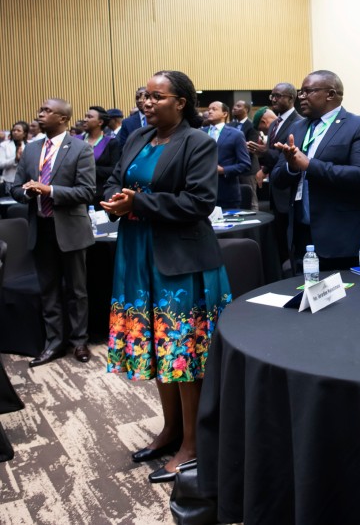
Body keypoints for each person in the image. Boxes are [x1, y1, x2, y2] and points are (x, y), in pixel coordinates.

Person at [101, 70, 232, 484]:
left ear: (181, 101)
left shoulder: (196, 142)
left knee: (183, 353)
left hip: (181, 261)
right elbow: (113, 177)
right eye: (145, 97)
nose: (147, 103)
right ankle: (171, 431)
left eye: (157, 97)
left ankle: (193, 446)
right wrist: (114, 200)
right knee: (158, 349)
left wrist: (138, 202)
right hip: (137, 256)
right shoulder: (137, 138)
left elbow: (198, 201)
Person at [11, 99, 96, 367]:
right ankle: (54, 343)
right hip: (40, 227)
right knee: (48, 290)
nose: (39, 114)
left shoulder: (80, 149)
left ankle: (79, 341)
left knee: (77, 291)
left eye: (47, 111)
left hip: (70, 229)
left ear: (63, 118)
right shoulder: (32, 149)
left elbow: (87, 191)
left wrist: (50, 191)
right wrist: (27, 191)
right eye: (40, 110)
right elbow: (15, 188)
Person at [271, 70, 360, 269]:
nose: (301, 96)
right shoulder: (297, 128)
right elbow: (277, 178)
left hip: (341, 237)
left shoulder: (358, 126)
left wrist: (310, 165)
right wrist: (292, 168)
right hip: (301, 235)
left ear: (331, 94)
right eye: (300, 92)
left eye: (308, 91)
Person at [251, 83, 302, 270]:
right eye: (272, 96)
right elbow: (274, 156)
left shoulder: (299, 122)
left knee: (292, 238)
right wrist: (264, 163)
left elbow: (287, 156)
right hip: (275, 188)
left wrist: (265, 152)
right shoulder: (274, 123)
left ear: (291, 98)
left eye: (278, 96)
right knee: (279, 236)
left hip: (290, 189)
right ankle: (283, 270)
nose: (273, 99)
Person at [204, 101, 251, 209]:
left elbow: (245, 164)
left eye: (214, 109)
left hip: (227, 192)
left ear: (225, 114)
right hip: (202, 193)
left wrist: (223, 170)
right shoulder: (200, 133)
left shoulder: (236, 134)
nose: (209, 111)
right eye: (209, 109)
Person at [76, 106, 120, 203]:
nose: (85, 120)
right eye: (85, 116)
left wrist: (88, 168)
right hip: (76, 193)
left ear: (100, 122)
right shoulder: (75, 140)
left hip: (100, 194)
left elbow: (114, 170)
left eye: (89, 117)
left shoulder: (111, 143)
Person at [228, 100, 259, 211]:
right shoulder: (230, 125)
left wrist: (233, 148)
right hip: (233, 167)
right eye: (234, 105)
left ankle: (255, 223)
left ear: (246, 109)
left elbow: (252, 146)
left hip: (248, 168)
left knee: (251, 198)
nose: (234, 108)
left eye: (238, 106)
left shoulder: (252, 126)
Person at [0, 121, 28, 194]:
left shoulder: (29, 145)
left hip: (26, 181)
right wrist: (15, 159)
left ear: (24, 134)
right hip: (10, 180)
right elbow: (1, 164)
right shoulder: (4, 145)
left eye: (18, 131)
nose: (15, 132)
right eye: (14, 130)